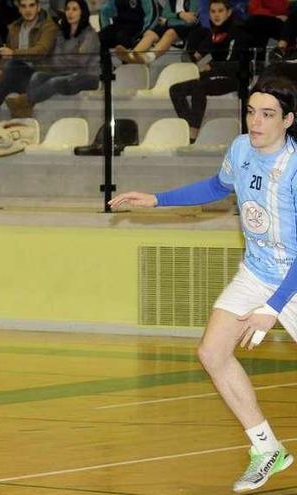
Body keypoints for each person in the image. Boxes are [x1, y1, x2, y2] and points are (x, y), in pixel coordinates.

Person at [109, 75, 297, 493]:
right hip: (257, 270)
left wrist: (273, 308)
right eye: (251, 111)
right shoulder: (241, 149)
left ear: (288, 120)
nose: (256, 122)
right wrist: (157, 199)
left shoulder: (296, 169)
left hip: (294, 278)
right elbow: (216, 186)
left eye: (267, 115)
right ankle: (267, 449)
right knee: (212, 352)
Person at [2, 0, 99, 117]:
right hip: (65, 73)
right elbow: (55, 60)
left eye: (74, 9)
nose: (70, 13)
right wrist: (68, 59)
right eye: (67, 9)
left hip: (87, 76)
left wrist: (65, 60)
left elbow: (81, 62)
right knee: (37, 76)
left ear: (82, 12)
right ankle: (26, 109)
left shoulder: (90, 34)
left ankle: (24, 101)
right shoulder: (61, 33)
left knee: (54, 82)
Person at [169, 0, 247, 142]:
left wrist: (211, 67)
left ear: (229, 13)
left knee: (199, 86)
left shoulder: (237, 31)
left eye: (220, 11)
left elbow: (234, 64)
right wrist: (191, 58)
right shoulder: (214, 33)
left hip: (234, 77)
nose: (216, 15)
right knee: (175, 89)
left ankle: (193, 132)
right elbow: (199, 53)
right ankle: (187, 125)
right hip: (215, 75)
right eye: (213, 11)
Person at [0, 0, 58, 117]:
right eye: (23, 6)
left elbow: (41, 51)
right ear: (19, 9)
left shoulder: (48, 26)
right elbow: (7, 52)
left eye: (31, 5)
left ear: (38, 7)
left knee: (13, 65)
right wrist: (0, 69)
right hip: (15, 74)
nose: (27, 10)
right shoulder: (14, 27)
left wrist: (14, 54)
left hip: (38, 75)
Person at [115, 0, 200, 64]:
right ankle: (132, 56)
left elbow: (190, 21)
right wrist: (179, 15)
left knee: (170, 32)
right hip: (171, 25)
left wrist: (168, 21)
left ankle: (148, 57)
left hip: (187, 29)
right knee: (150, 33)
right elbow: (164, 15)